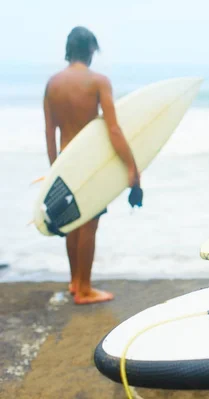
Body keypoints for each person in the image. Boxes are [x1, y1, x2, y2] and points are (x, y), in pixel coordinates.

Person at [43, 26, 140, 305]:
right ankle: (85, 290)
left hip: (64, 160)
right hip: (89, 161)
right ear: (91, 50)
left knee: (72, 221)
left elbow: (49, 132)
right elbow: (113, 129)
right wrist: (131, 166)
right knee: (88, 224)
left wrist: (54, 172)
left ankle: (75, 281)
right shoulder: (98, 81)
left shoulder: (53, 84)